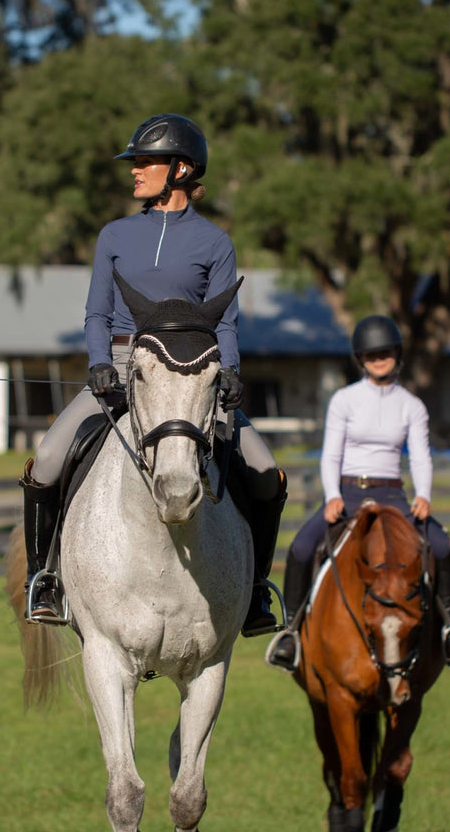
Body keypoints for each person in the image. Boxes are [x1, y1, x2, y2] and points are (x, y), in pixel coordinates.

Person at [20, 113, 287, 635]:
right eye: (135, 163)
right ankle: (45, 578)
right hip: (122, 362)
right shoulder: (115, 235)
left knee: (266, 474)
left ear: (181, 168)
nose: (134, 171)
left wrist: (229, 374)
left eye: (145, 162)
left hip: (193, 376)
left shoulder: (215, 243)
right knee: (49, 459)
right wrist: (99, 362)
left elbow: (226, 322)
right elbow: (96, 312)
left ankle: (255, 592)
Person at [266, 315, 450, 672]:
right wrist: (332, 494)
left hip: (393, 494)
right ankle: (290, 632)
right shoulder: (344, 400)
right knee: (303, 547)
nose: (379, 358)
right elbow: (331, 453)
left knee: (441, 546)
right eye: (371, 353)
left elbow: (422, 456)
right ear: (360, 358)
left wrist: (423, 495)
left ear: (397, 354)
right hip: (348, 491)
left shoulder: (412, 406)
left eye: (385, 352)